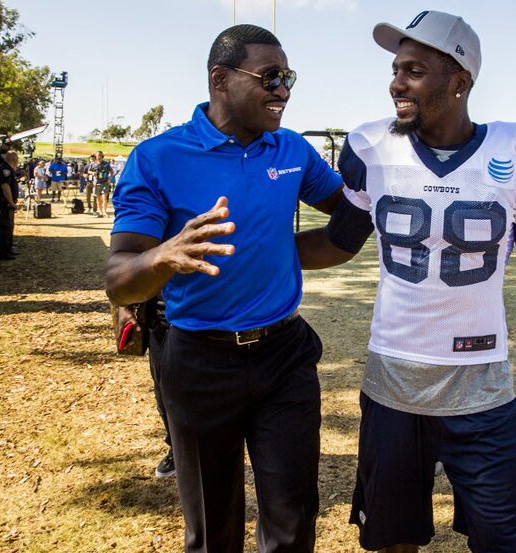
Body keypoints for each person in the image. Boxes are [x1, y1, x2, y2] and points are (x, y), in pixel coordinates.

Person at [296, 11, 516, 552]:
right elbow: (338, 244)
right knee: (392, 540)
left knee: (500, 541)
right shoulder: (369, 147)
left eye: (413, 71)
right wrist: (242, 253)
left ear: (459, 82)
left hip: (482, 391)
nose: (396, 83)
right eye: (395, 70)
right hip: (392, 385)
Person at [105, 24, 342, 553]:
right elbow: (119, 280)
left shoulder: (293, 151)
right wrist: (164, 255)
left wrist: (294, 251)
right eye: (271, 77)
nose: (283, 90)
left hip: (285, 356)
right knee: (214, 527)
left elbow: (350, 214)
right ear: (221, 78)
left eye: (289, 78)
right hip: (197, 361)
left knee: (294, 515)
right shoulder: (157, 157)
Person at [115, 296, 175, 478]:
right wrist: (124, 306)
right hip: (161, 321)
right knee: (164, 393)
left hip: (209, 318)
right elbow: (126, 269)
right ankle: (177, 449)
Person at [0, 151, 21, 260]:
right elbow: (5, 187)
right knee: (4, 228)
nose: (18, 162)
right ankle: (4, 253)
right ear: (13, 159)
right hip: (4, 203)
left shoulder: (7, 169)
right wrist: (12, 203)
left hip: (6, 203)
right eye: (17, 159)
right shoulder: (5, 170)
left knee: (9, 227)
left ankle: (8, 250)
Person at [93, 151, 114, 217]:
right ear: (95, 156)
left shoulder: (106, 164)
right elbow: (88, 171)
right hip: (97, 183)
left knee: (104, 197)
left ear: (102, 156)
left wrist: (109, 179)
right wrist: (92, 173)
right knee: (98, 198)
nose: (98, 157)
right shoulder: (93, 164)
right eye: (97, 155)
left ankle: (104, 212)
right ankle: (100, 211)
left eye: (100, 155)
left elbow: (112, 172)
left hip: (105, 182)